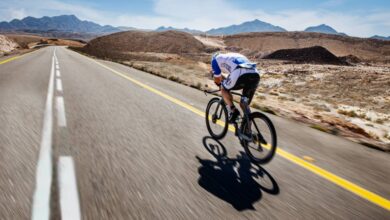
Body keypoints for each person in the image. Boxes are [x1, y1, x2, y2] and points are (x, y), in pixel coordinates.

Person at [211, 52, 260, 123]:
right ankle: (247, 129)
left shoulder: (214, 60)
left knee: (224, 89)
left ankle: (234, 111)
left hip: (240, 72)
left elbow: (217, 80)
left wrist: (220, 85)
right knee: (244, 104)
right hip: (255, 73)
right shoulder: (230, 56)